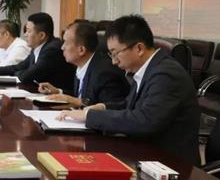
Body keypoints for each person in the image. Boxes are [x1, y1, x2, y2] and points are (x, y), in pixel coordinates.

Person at [58, 15, 200, 164]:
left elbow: (145, 120)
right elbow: (129, 105)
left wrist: (89, 116)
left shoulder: (166, 74)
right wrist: (103, 107)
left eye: (115, 53)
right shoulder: (148, 69)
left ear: (139, 48)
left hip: (171, 163)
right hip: (147, 154)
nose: (114, 61)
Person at [0, 12, 75, 92]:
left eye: (28, 31)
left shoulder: (52, 50)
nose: (25, 34)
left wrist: (20, 72)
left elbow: (26, 76)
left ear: (41, 35)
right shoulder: (37, 47)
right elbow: (19, 67)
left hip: (62, 99)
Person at [38, 21, 129, 107]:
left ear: (81, 50)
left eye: (66, 43)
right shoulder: (81, 66)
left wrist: (76, 101)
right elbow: (83, 96)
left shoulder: (105, 72)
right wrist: (58, 91)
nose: (62, 47)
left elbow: (109, 107)